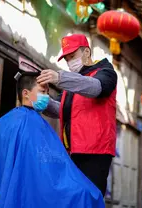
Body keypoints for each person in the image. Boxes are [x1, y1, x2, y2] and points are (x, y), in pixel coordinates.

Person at [0, 71, 104, 208]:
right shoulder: (18, 123)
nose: (46, 97)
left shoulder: (9, 121)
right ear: (26, 93)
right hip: (36, 186)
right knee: (86, 194)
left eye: (47, 93)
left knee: (86, 192)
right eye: (43, 91)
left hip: (36, 184)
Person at [37, 34, 117, 195]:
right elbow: (61, 109)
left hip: (96, 151)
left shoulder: (106, 72)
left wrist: (60, 77)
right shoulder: (73, 83)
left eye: (72, 56)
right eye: (66, 59)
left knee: (89, 199)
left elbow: (95, 88)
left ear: (87, 52)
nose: (69, 62)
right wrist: (43, 101)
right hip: (71, 151)